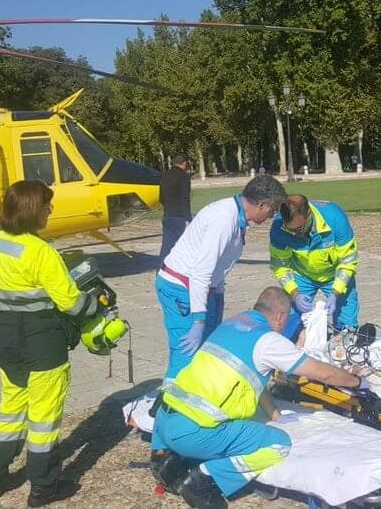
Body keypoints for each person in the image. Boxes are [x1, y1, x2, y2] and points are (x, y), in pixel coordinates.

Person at [153, 287, 366, 509]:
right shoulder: (268, 341)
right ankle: (203, 478)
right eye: (285, 322)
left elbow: (253, 377)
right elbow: (325, 373)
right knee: (278, 444)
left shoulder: (232, 324)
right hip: (195, 432)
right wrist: (357, 382)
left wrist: (273, 412)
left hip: (165, 422)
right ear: (280, 316)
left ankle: (166, 460)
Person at [0, 180, 100, 507]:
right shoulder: (41, 252)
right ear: (34, 209)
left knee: (11, 406)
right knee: (44, 415)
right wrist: (96, 306)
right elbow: (70, 302)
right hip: (40, 335)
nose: (51, 209)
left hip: (5, 332)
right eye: (47, 204)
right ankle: (44, 487)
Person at [151, 175, 287, 458]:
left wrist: (218, 298)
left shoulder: (236, 218)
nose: (270, 217)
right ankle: (162, 443)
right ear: (261, 205)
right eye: (271, 211)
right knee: (184, 361)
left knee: (207, 356)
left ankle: (200, 418)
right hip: (183, 289)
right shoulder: (223, 220)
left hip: (206, 289)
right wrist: (199, 320)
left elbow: (216, 269)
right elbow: (199, 272)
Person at [269, 194, 360, 330]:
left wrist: (335, 293)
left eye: (299, 229)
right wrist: (295, 294)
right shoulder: (278, 228)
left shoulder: (335, 218)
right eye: (290, 230)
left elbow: (348, 261)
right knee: (292, 324)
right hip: (301, 275)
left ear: (308, 214)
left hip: (335, 274)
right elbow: (280, 266)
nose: (295, 234)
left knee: (347, 327)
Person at [159, 154, 193, 262]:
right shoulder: (184, 176)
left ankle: (161, 271)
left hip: (168, 215)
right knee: (184, 247)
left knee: (166, 248)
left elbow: (161, 198)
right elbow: (185, 198)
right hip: (180, 216)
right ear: (185, 163)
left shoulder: (164, 175)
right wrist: (188, 218)